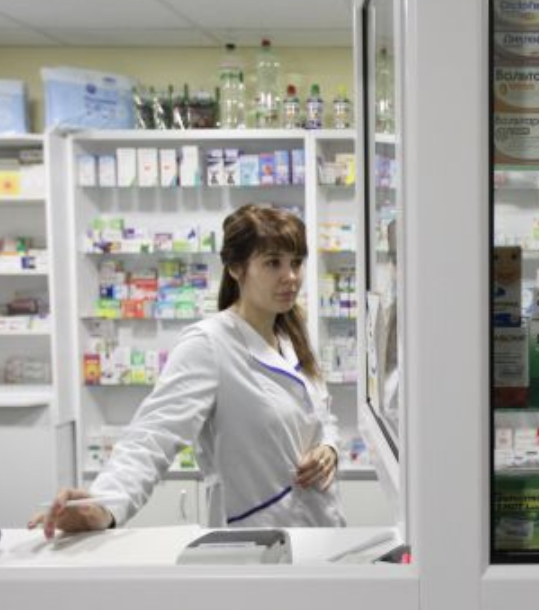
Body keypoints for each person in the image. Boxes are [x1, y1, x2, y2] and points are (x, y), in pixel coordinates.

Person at [29, 204, 346, 538]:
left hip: (322, 528)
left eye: (296, 262)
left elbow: (321, 415)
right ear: (236, 268)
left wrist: (329, 448)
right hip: (259, 540)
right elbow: (152, 436)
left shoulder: (291, 335)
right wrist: (104, 505)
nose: (291, 277)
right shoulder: (208, 344)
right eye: (273, 263)